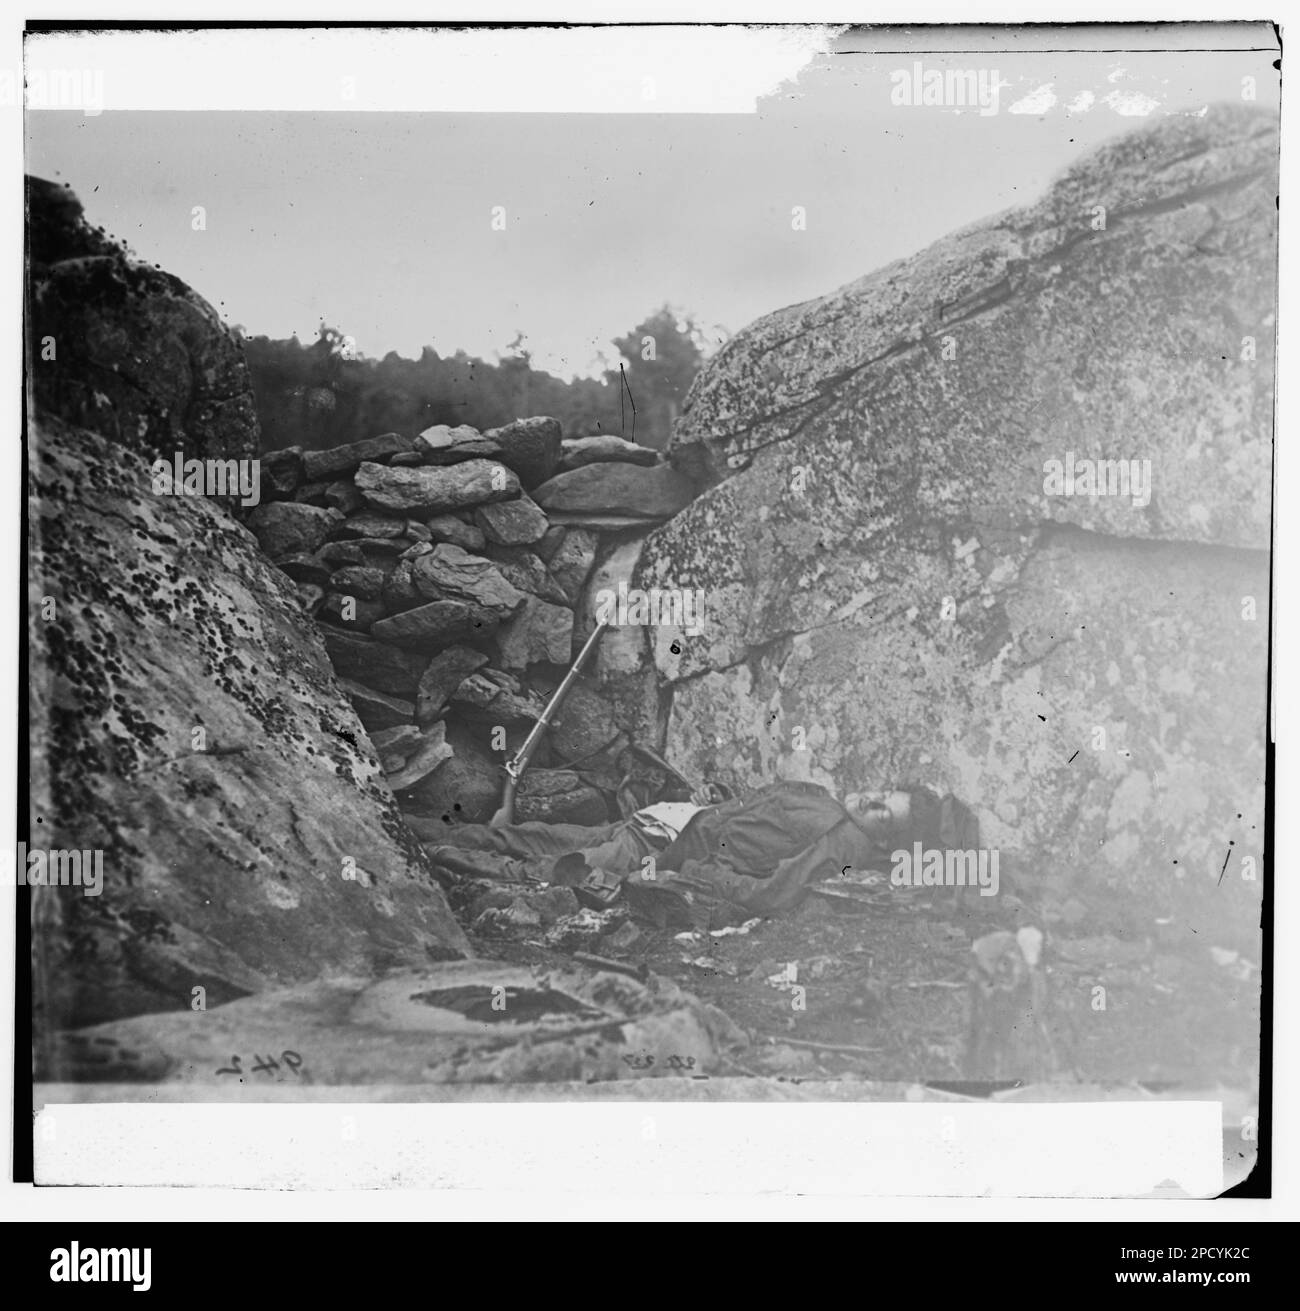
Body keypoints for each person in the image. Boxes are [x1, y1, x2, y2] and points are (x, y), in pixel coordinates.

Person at [428, 778, 980, 929]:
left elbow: (773, 894)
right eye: (883, 792)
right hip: (659, 824)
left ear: (886, 842)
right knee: (528, 835)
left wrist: (699, 873)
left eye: (884, 812)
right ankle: (393, 826)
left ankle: (417, 854)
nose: (871, 800)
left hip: (658, 855)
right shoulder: (829, 802)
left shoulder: (844, 843)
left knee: (532, 867)